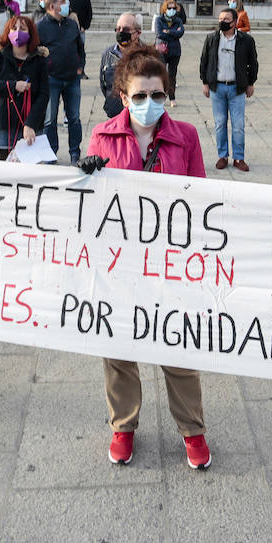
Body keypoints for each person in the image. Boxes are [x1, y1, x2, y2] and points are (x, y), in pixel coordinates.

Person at [78, 44, 211, 471]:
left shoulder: (186, 136)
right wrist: (87, 176)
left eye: (157, 96)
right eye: (139, 96)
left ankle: (192, 429)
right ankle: (124, 425)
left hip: (171, 264)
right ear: (122, 95)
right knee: (118, 349)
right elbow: (92, 208)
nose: (149, 104)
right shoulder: (103, 134)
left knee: (178, 349)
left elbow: (203, 200)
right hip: (120, 263)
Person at [0, 14, 49, 160]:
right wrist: (12, 86)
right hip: (2, 122)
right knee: (4, 168)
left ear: (30, 33)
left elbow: (44, 94)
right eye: (14, 28)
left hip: (29, 124)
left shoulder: (39, 60)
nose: (17, 32)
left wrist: (31, 124)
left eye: (22, 29)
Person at [200, 4, 258, 172]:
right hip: (217, 88)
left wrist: (250, 83)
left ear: (234, 22)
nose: (222, 22)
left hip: (236, 88)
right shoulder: (212, 38)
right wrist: (205, 82)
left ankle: (239, 158)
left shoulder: (246, 40)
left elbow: (252, 63)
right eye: (220, 19)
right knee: (219, 124)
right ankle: (222, 155)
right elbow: (204, 61)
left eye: (226, 19)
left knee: (238, 125)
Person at [37, 0, 85, 165]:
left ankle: (75, 152)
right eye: (63, 2)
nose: (67, 4)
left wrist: (80, 67)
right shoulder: (40, 26)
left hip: (72, 79)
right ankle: (51, 153)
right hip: (51, 80)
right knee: (50, 120)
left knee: (74, 118)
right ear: (52, 6)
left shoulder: (72, 24)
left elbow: (80, 48)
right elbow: (35, 52)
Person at [99, 12, 142, 119]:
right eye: (118, 29)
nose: (121, 32)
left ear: (138, 33)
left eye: (126, 30)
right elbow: (104, 84)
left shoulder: (148, 55)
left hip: (140, 117)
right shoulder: (108, 54)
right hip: (115, 116)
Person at [155, 0, 186, 102]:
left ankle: (172, 97)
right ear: (165, 9)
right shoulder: (159, 19)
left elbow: (180, 32)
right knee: (161, 74)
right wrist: (173, 33)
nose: (171, 10)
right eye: (169, 8)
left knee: (172, 75)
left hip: (174, 50)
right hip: (162, 50)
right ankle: (161, 95)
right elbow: (159, 34)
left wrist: (167, 31)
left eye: (174, 8)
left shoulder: (178, 20)